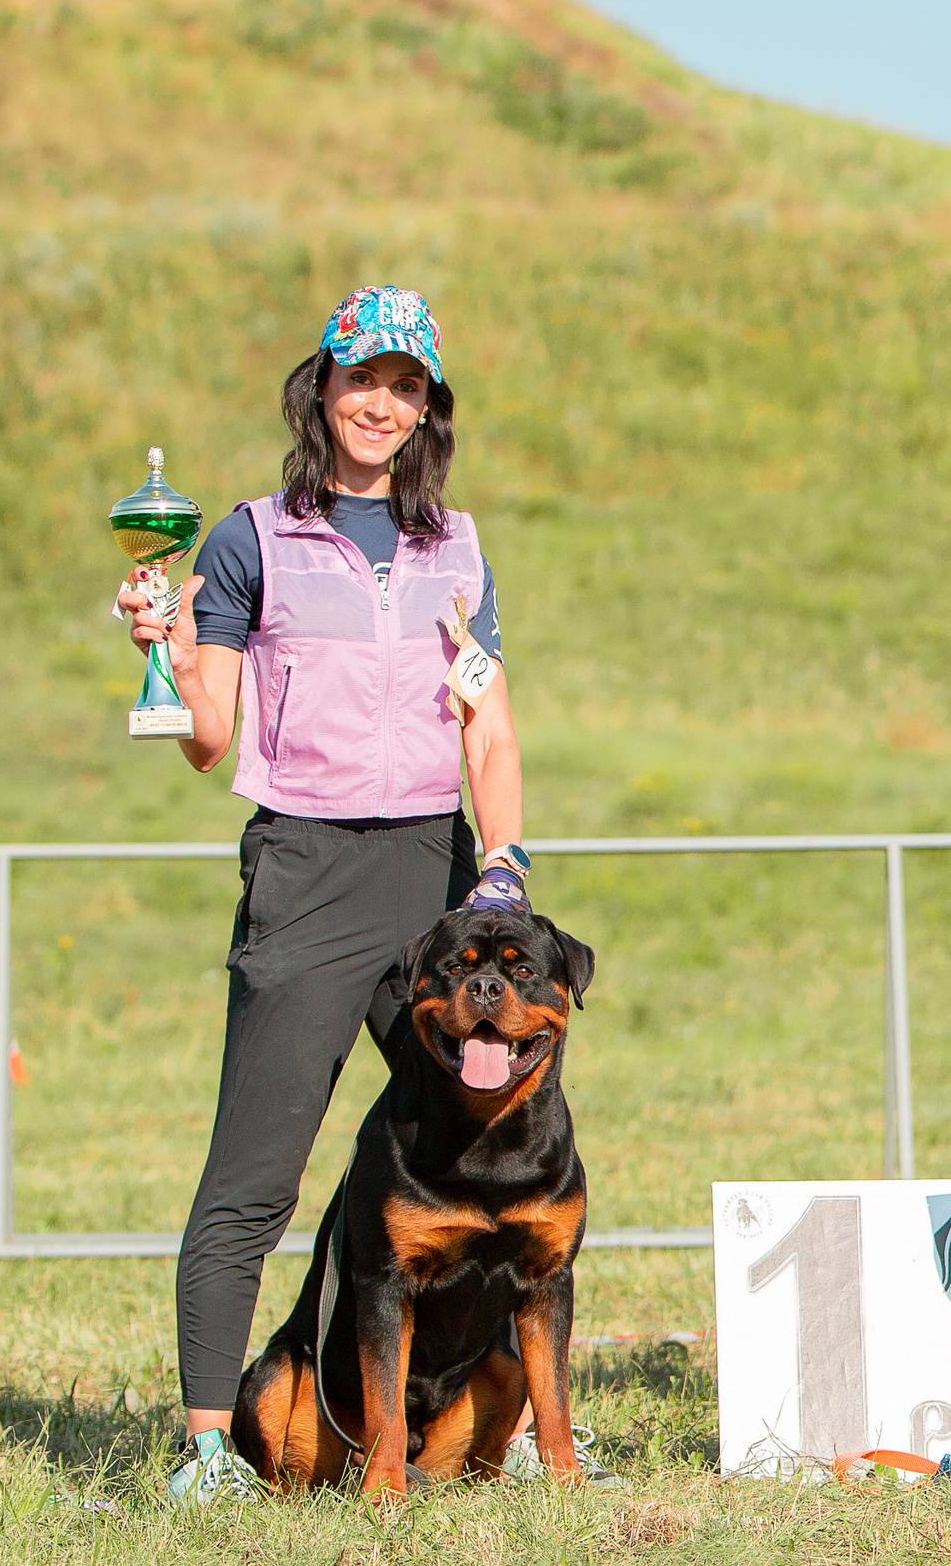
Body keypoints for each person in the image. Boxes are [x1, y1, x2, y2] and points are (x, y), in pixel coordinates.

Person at [119, 286, 609, 1503]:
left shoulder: (459, 544)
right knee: (259, 1171)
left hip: (436, 880)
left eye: (407, 388)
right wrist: (166, 652)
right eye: (362, 380)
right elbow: (207, 739)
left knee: (505, 1145)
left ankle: (521, 1421)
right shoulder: (247, 537)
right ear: (321, 389)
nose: (380, 405)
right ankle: (204, 1450)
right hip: (307, 867)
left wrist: (504, 861)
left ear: (427, 409)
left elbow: (486, 721)